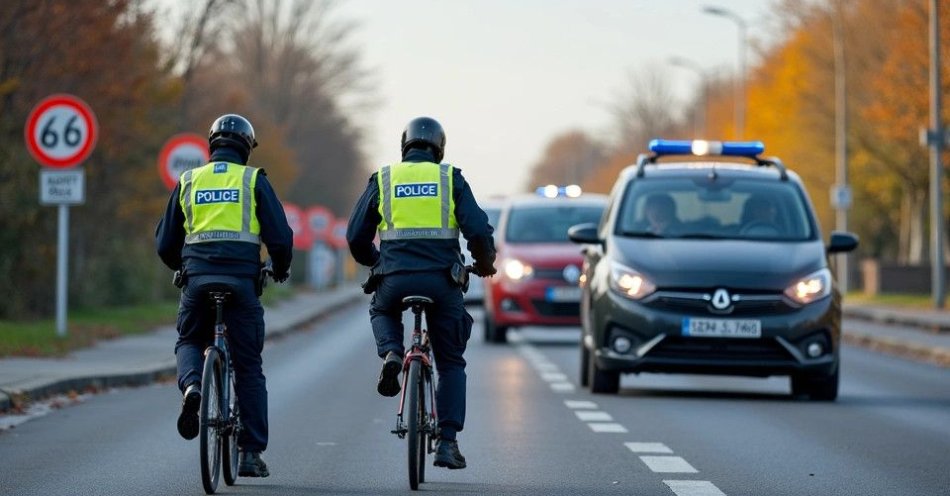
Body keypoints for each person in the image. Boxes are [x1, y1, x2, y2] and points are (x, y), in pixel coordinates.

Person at [346, 116, 497, 470]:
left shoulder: (384, 178)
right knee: (451, 362)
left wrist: (377, 261)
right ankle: (447, 442)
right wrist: (485, 263)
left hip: (394, 278)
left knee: (381, 311)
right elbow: (477, 229)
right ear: (439, 148)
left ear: (405, 146)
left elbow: (355, 236)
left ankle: (392, 354)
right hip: (442, 283)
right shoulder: (449, 179)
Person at [156, 113, 293, 478]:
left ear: (211, 145)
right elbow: (280, 237)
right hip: (242, 285)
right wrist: (279, 267)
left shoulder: (189, 181)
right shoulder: (253, 180)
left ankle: (192, 388)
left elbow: (165, 242)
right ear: (247, 148)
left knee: (188, 339)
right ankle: (249, 454)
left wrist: (183, 267)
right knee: (249, 367)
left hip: (198, 283)